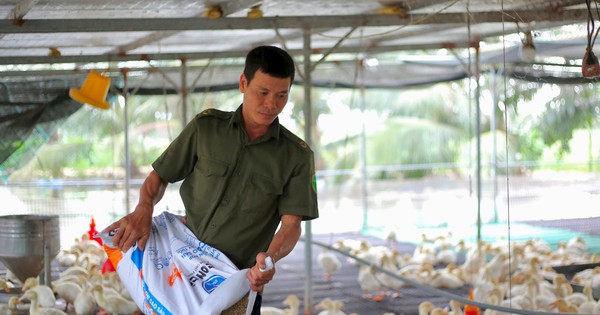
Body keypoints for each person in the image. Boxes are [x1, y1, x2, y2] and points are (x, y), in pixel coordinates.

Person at [104, 45, 319, 314]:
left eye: (281, 95)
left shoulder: (295, 155)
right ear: (243, 83)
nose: (271, 104)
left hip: (236, 282)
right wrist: (144, 208)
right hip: (179, 269)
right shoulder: (206, 128)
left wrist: (270, 260)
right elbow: (159, 176)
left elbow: (291, 225)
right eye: (262, 92)